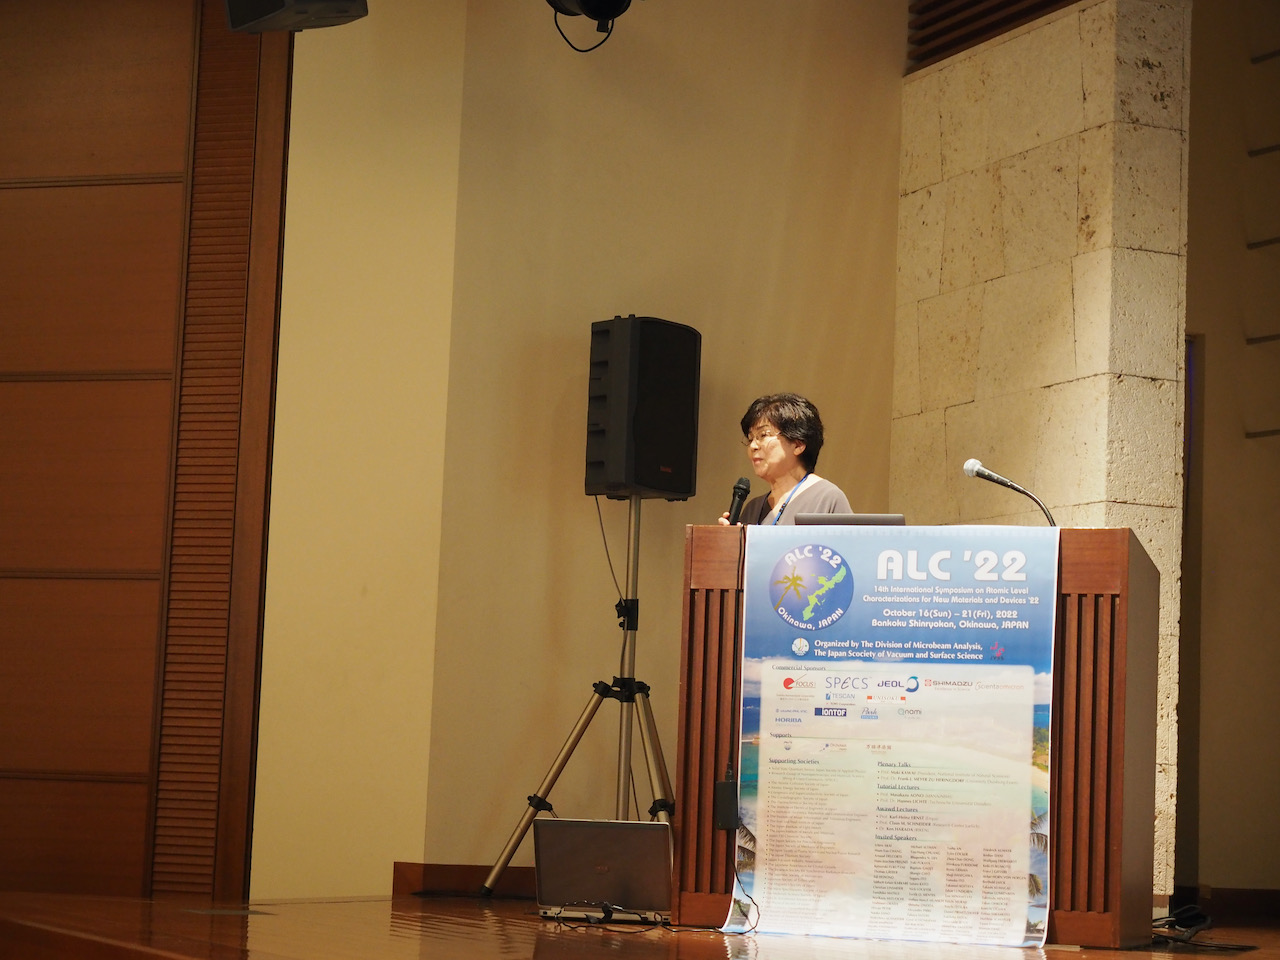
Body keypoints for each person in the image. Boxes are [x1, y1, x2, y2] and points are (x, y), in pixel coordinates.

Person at [719, 393, 851, 525]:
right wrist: (727, 536)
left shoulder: (827, 498)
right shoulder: (752, 509)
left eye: (763, 435)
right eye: (750, 438)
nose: (753, 446)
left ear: (798, 445)